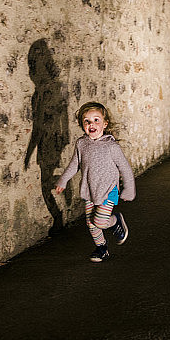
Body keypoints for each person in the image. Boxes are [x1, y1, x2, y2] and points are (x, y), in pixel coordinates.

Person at [54, 101, 136, 262]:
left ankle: (115, 221)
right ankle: (101, 248)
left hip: (108, 190)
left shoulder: (111, 146)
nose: (92, 124)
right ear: (82, 124)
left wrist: (129, 189)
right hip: (89, 190)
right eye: (87, 121)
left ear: (105, 124)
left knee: (100, 221)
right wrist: (63, 180)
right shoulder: (81, 144)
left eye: (96, 120)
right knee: (91, 223)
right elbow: (74, 164)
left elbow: (125, 168)